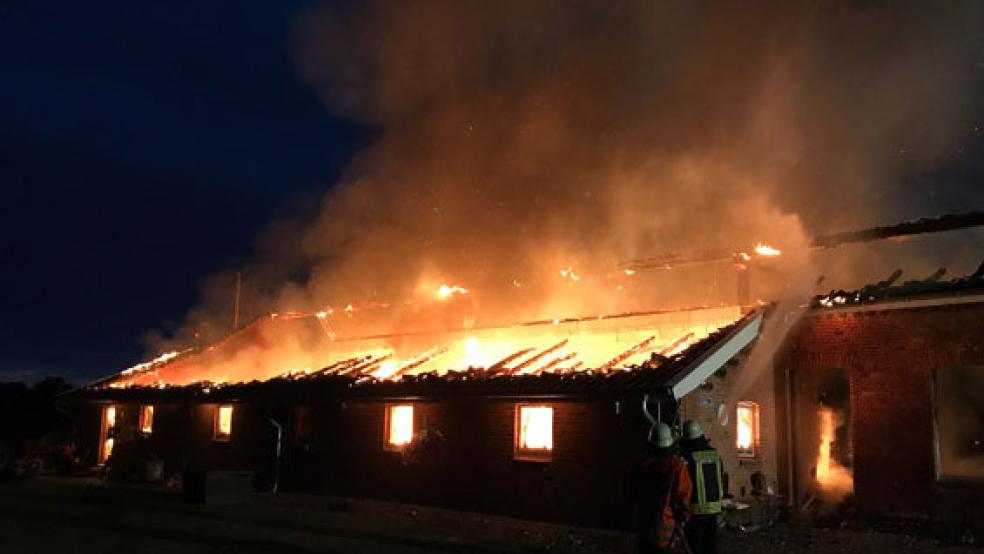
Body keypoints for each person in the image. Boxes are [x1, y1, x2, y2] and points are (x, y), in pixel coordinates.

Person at [635, 422, 693, 554]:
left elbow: (635, 494)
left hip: (643, 528)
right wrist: (684, 518)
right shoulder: (676, 466)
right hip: (666, 534)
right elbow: (682, 499)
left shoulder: (641, 465)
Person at [679, 420, 724, 554]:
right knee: (709, 546)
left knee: (695, 547)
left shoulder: (687, 457)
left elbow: (683, 484)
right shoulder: (714, 454)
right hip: (714, 509)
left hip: (696, 511)